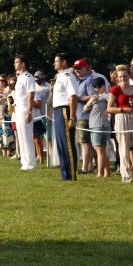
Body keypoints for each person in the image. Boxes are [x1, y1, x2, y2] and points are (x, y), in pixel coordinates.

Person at [51, 53, 79, 181]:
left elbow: (73, 96)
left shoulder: (68, 76)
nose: (54, 63)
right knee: (61, 144)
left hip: (65, 110)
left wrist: (72, 117)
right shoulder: (60, 76)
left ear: (64, 62)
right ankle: (65, 175)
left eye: (57, 61)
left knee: (67, 144)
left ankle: (71, 175)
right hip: (58, 110)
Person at [83, 77, 111, 177]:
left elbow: (111, 106)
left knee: (99, 150)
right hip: (94, 125)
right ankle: (107, 173)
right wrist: (90, 102)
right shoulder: (94, 97)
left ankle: (99, 173)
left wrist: (107, 110)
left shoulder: (106, 97)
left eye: (97, 87)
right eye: (94, 87)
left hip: (100, 125)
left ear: (103, 86)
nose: (95, 89)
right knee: (101, 150)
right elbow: (85, 109)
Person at [12, 56, 36, 170]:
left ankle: (30, 163)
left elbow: (31, 95)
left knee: (27, 136)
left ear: (23, 64)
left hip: (24, 108)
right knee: (21, 136)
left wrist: (29, 111)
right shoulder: (19, 77)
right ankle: (24, 161)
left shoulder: (28, 77)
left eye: (17, 62)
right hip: (18, 108)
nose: (14, 64)